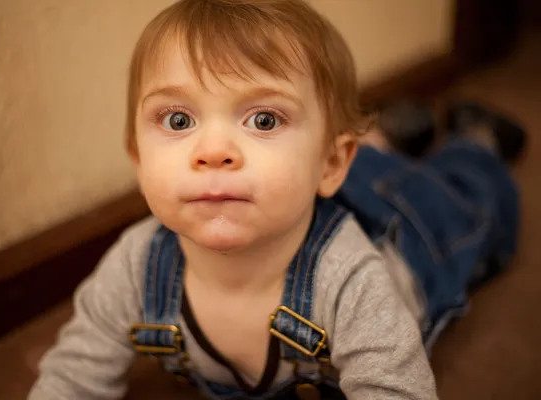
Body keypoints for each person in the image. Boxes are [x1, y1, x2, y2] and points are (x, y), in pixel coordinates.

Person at [28, 0, 525, 399]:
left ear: (331, 163)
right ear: (138, 161)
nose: (214, 152)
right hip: (301, 185)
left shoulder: (350, 277)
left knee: (478, 205)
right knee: (345, 167)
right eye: (179, 120)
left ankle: (473, 139)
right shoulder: (136, 267)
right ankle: (384, 138)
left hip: (406, 226)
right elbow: (72, 375)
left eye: (263, 120)